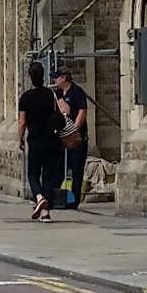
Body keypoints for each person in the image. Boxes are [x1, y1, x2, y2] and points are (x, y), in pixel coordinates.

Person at [18, 61, 64, 221]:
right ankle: (46, 213)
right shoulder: (51, 94)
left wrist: (20, 139)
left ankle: (39, 198)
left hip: (36, 141)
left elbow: (22, 122)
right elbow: (64, 111)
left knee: (32, 173)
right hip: (53, 140)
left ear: (31, 78)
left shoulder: (26, 98)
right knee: (49, 176)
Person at [53, 68, 89, 210]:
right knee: (59, 168)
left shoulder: (77, 92)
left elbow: (81, 112)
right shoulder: (58, 94)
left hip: (77, 137)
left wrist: (73, 130)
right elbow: (63, 111)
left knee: (76, 169)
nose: (54, 81)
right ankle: (55, 196)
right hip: (61, 137)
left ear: (64, 78)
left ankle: (74, 200)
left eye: (56, 78)